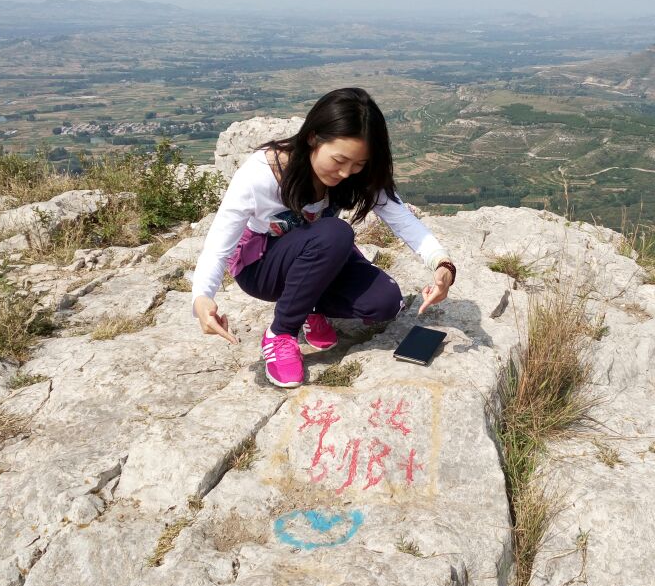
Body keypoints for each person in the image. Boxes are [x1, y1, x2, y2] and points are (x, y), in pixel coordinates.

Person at [191, 87, 457, 388]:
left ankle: (308, 305)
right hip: (263, 267)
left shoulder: (357, 174)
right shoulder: (261, 174)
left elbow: (403, 220)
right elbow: (218, 244)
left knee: (385, 303)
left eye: (358, 164)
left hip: (317, 256)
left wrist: (442, 264)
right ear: (313, 138)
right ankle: (281, 332)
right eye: (340, 160)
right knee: (335, 232)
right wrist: (202, 297)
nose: (347, 173)